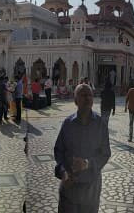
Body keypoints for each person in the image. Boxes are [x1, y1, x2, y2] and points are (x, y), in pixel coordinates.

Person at [54, 84, 111, 212]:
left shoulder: (100, 124)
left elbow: (105, 153)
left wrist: (87, 163)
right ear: (75, 100)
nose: (87, 98)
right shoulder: (68, 124)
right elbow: (59, 151)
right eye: (83, 95)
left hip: (90, 188)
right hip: (69, 188)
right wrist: (63, 172)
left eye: (90, 95)